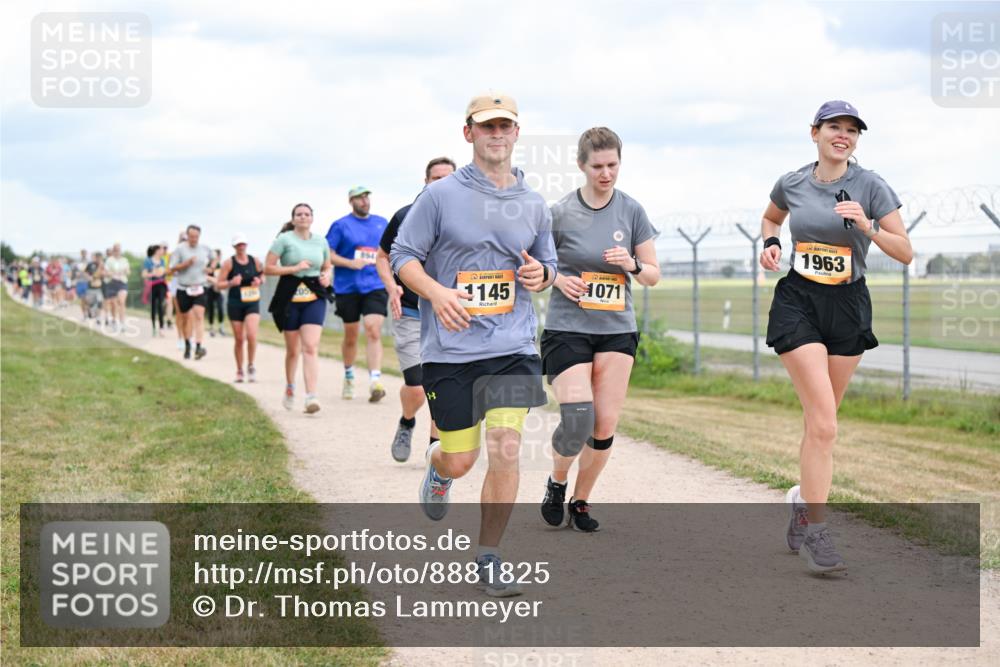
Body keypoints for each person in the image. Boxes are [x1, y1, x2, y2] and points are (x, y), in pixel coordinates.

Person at [391, 91, 557, 597]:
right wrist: (437, 293)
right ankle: (439, 469)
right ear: (469, 134)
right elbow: (403, 255)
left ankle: (489, 556)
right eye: (487, 126)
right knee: (460, 458)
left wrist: (539, 274)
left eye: (505, 126)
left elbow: (548, 265)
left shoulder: (533, 203)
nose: (497, 134)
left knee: (506, 446)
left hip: (512, 345)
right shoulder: (439, 197)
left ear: (516, 133)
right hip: (452, 351)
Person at [760, 101, 912, 574]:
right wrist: (770, 244)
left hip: (848, 306)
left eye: (851, 130)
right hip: (798, 301)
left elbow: (905, 252)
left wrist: (867, 225)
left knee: (819, 424)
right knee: (825, 424)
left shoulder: (871, 184)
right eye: (834, 128)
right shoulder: (792, 182)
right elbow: (771, 218)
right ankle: (818, 534)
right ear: (815, 133)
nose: (842, 136)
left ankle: (802, 500)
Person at [539, 127, 661, 533]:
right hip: (567, 327)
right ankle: (557, 483)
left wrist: (632, 265)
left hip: (616, 329)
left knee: (604, 424)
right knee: (578, 418)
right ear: (581, 166)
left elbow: (653, 275)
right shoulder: (559, 213)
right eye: (598, 166)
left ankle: (581, 500)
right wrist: (559, 280)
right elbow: (538, 268)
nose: (606, 174)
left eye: (613, 165)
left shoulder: (632, 211)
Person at [376, 157, 455, 462]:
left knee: (441, 383)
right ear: (426, 182)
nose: (442, 183)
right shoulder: (405, 216)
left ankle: (433, 447)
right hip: (409, 310)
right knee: (417, 384)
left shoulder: (466, 219)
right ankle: (407, 420)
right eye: (436, 178)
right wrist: (391, 285)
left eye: (449, 178)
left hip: (447, 314)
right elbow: (382, 257)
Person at [266, 204, 333, 413]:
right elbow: (267, 268)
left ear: (312, 218)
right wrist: (294, 268)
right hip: (289, 295)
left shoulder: (320, 240)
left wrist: (326, 275)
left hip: (314, 294)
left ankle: (311, 396)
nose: (303, 217)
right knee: (293, 350)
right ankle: (290, 386)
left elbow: (327, 265)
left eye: (307, 214)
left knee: (311, 347)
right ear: (293, 219)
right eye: (299, 214)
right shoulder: (284, 240)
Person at [325, 186, 390, 402]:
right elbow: (328, 255)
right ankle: (349, 374)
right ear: (351, 201)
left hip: (375, 284)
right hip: (348, 287)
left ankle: (375, 380)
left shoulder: (382, 223)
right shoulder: (341, 225)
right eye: (360, 198)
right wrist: (350, 263)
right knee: (351, 335)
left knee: (373, 330)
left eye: (367, 197)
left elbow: (392, 250)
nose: (364, 201)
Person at [217, 234, 264, 383]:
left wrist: (259, 281)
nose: (241, 246)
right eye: (238, 245)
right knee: (239, 339)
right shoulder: (228, 263)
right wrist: (231, 282)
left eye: (243, 244)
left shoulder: (254, 261)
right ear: (234, 247)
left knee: (251, 335)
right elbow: (219, 284)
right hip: (235, 302)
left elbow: (263, 276)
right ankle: (239, 370)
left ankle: (251, 365)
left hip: (252, 301)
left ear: (247, 245)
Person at [171, 225, 213, 360]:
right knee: (186, 318)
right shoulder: (180, 249)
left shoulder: (204, 248)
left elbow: (214, 259)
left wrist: (210, 268)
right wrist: (186, 264)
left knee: (199, 315)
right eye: (191, 236)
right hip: (184, 287)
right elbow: (172, 268)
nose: (194, 239)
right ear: (187, 236)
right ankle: (188, 344)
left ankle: (199, 346)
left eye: (196, 236)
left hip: (200, 286)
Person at [142, 244, 168, 336]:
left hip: (161, 285)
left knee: (161, 305)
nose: (163, 251)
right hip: (152, 285)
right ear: (157, 251)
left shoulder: (162, 261)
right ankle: (153, 327)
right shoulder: (148, 261)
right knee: (153, 306)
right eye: (161, 249)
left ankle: (161, 327)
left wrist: (156, 273)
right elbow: (144, 274)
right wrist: (153, 273)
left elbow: (163, 272)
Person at [104, 243, 130, 332]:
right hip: (112, 282)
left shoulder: (124, 260)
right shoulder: (109, 260)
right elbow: (106, 272)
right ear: (113, 251)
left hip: (122, 282)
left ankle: (122, 323)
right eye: (115, 250)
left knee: (121, 302)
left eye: (118, 250)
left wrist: (125, 271)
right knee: (114, 304)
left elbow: (128, 271)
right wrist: (113, 273)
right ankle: (114, 321)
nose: (117, 251)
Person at [206, 248, 227, 338]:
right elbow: (205, 276)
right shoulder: (207, 266)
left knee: (220, 308)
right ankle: (211, 327)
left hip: (218, 291)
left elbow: (223, 278)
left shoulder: (221, 267)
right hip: (209, 290)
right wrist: (214, 280)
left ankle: (221, 326)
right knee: (210, 309)